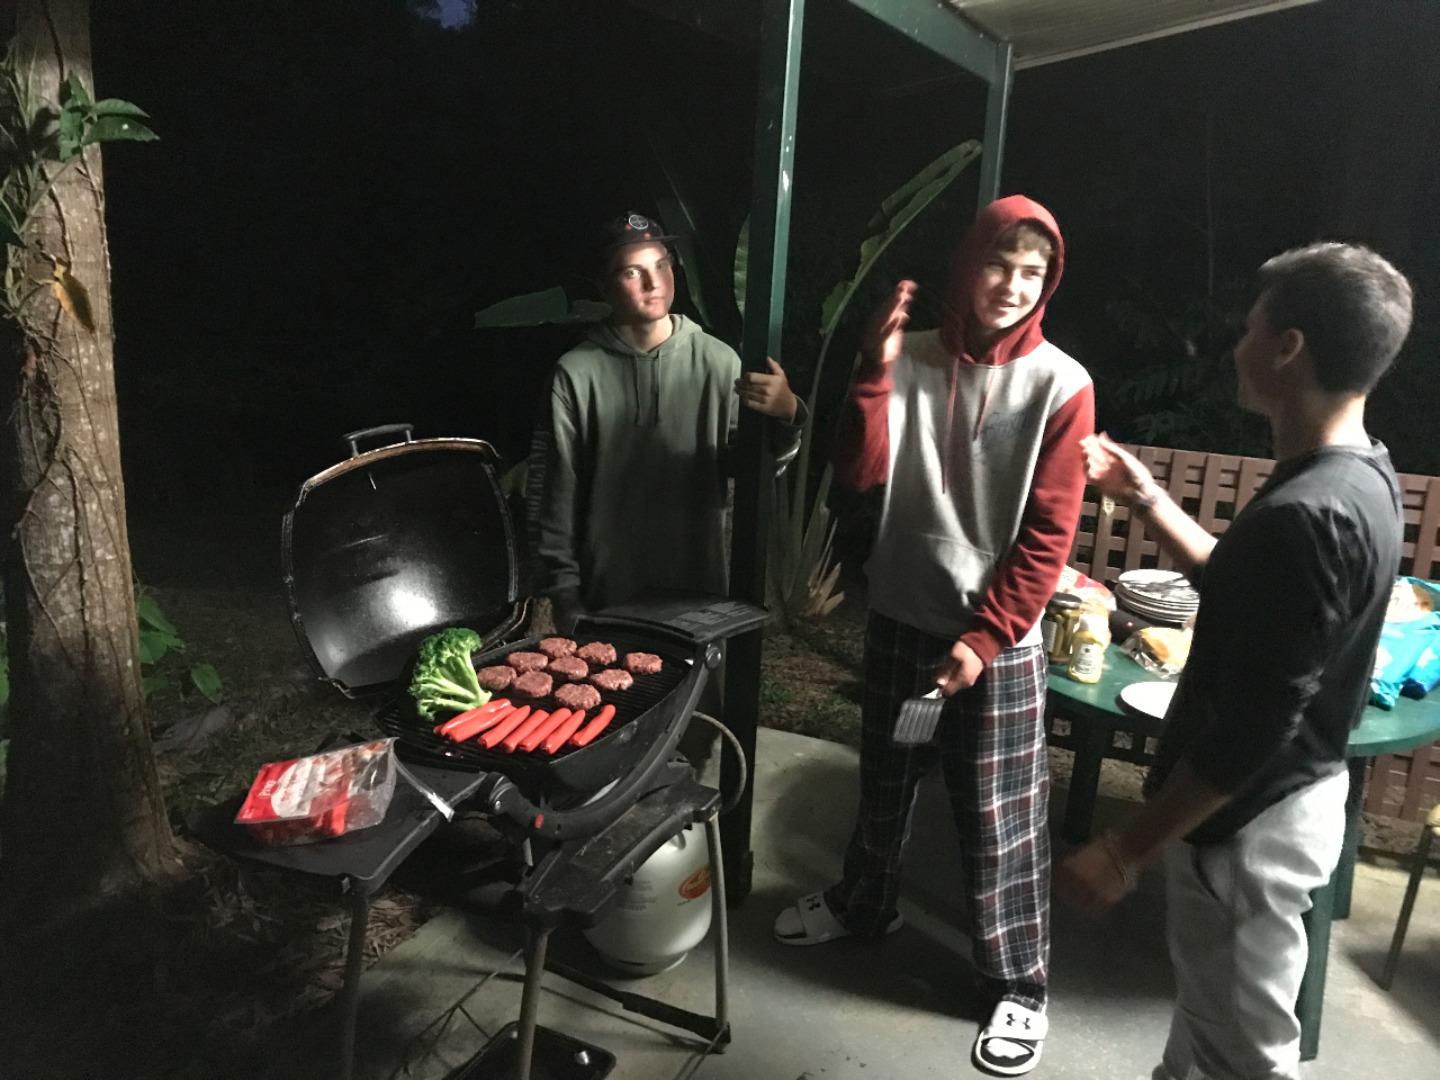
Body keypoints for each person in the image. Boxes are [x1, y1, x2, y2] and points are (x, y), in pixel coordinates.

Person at [1057, 242, 1413, 1080]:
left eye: (1251, 328)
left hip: (1250, 828)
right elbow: (1239, 586)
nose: (1237, 345)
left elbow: (1256, 724)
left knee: (1246, 1061)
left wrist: (1124, 850)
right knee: (1205, 1035)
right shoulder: (1359, 476)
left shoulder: (1310, 512)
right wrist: (1145, 498)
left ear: (1288, 347)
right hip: (1283, 805)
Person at [773, 195, 1094, 1076]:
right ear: (968, 263)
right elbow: (860, 473)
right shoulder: (910, 356)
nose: (1012, 285)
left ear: (1048, 283)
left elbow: (1049, 533)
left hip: (1000, 642)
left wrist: (985, 639)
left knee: (1000, 818)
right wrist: (874, 372)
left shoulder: (1062, 383)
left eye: (1032, 272)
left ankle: (1018, 984)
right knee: (882, 782)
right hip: (901, 613)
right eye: (999, 263)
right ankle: (864, 904)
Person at [533, 212, 803, 753]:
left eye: (662, 265)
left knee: (692, 727)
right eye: (633, 272)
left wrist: (788, 415)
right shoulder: (577, 373)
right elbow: (556, 488)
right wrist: (563, 590)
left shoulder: (718, 362)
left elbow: (752, 468)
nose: (654, 282)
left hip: (695, 583)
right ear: (606, 286)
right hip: (609, 590)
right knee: (612, 730)